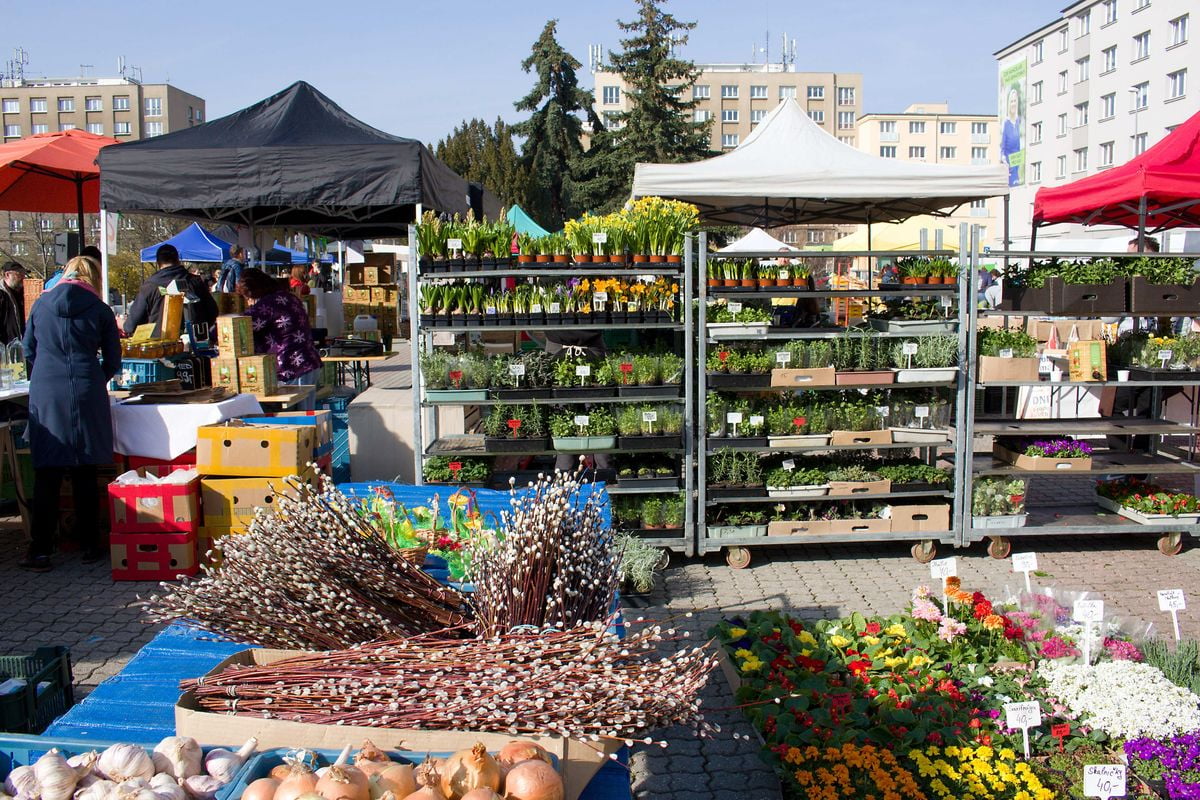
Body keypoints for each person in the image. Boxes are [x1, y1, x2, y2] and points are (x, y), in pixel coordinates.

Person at [20, 256, 121, 571]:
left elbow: (28, 349)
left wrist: (44, 374)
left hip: (47, 389)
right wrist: (93, 376)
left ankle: (40, 549)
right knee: (85, 470)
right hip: (85, 386)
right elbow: (114, 360)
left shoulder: (40, 305)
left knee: (47, 472)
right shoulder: (100, 310)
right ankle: (90, 544)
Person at [238, 268, 321, 407]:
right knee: (307, 418)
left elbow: (239, 325)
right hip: (306, 362)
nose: (248, 303)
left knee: (296, 421)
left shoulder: (268, 304)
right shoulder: (288, 297)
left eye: (247, 298)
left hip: (292, 366)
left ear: (252, 292)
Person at [123, 244, 218, 337]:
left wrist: (122, 324)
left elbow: (131, 325)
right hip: (195, 342)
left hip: (161, 347)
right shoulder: (195, 282)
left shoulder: (149, 287)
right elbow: (213, 312)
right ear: (178, 259)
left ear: (158, 262)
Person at [1000, 87, 1022, 186]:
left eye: (1015, 101)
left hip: (1017, 163)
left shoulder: (1018, 121)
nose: (1013, 104)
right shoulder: (1006, 123)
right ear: (1009, 103)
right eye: (1011, 101)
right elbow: (1003, 146)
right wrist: (1004, 160)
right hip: (1009, 165)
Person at [0, 261, 26, 343]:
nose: (23, 278)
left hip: (20, 344)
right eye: (20, 274)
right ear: (7, 275)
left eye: (24, 275)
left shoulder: (23, 292)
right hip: (7, 345)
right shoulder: (2, 295)